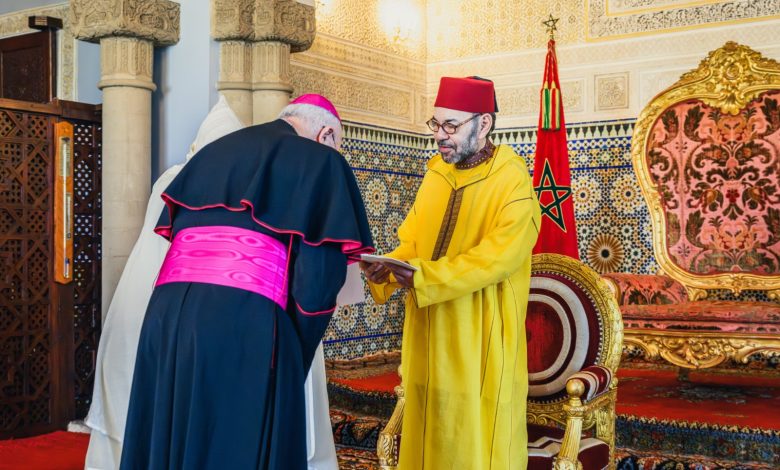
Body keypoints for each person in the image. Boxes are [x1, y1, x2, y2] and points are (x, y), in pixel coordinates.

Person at [85, 95, 350, 470]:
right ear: (326, 135)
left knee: (173, 430)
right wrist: (295, 348)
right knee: (232, 440)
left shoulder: (210, 153)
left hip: (166, 317)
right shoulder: (321, 160)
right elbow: (319, 279)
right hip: (243, 321)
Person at [361, 76, 541, 469]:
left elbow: (497, 258)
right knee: (428, 428)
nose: (440, 136)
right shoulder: (436, 175)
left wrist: (424, 277)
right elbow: (413, 241)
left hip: (479, 333)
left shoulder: (512, 180)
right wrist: (386, 268)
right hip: (426, 329)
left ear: (484, 123)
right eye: (436, 124)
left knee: (474, 440)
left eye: (451, 126)